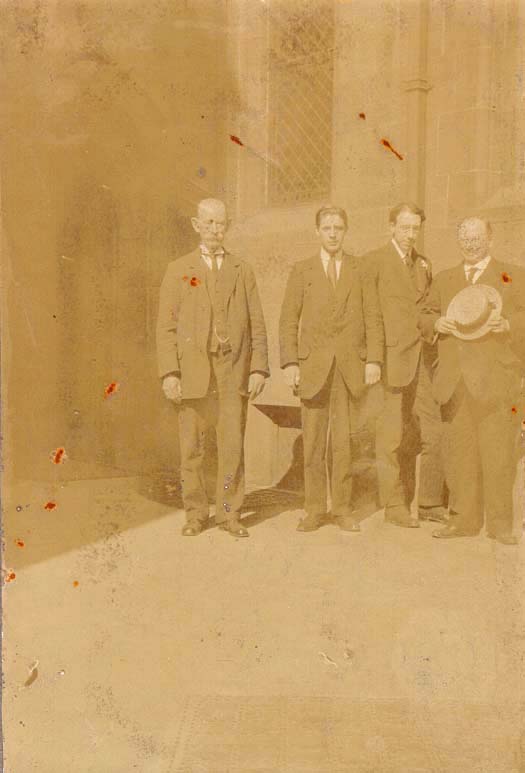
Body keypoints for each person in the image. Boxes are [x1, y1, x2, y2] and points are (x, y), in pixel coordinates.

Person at [156, 198, 269, 538]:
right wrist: (170, 373)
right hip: (192, 372)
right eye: (209, 224)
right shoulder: (178, 269)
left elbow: (257, 323)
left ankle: (227, 514)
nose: (216, 230)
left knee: (231, 445)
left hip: (231, 370)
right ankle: (195, 514)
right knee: (193, 448)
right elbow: (166, 327)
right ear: (196, 225)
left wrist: (259, 368)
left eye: (222, 224)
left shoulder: (242, 269)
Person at [419, 216, 525, 544]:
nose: (471, 243)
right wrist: (436, 324)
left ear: (490, 239)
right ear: (458, 242)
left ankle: (500, 525)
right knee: (459, 454)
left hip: (495, 381)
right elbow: (423, 313)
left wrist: (508, 324)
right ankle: (462, 520)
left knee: (498, 453)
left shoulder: (511, 275)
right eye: (465, 238)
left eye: (477, 237)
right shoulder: (446, 279)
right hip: (456, 381)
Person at [279, 205, 384, 533]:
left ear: (346, 231)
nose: (333, 233)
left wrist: (374, 361)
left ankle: (341, 508)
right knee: (312, 443)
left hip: (349, 369)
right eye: (327, 228)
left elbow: (372, 316)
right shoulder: (302, 270)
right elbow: (287, 321)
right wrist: (290, 364)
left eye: (339, 227)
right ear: (317, 232)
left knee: (343, 443)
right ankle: (313, 509)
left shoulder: (360, 268)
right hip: (313, 370)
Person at [362, 203, 446, 528]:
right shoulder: (374, 262)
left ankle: (426, 502)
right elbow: (369, 314)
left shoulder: (423, 264)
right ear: (391, 227)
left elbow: (425, 309)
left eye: (415, 229)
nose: (410, 235)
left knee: (430, 430)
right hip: (390, 362)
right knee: (391, 437)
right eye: (404, 228)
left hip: (422, 362)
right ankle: (394, 505)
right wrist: (373, 359)